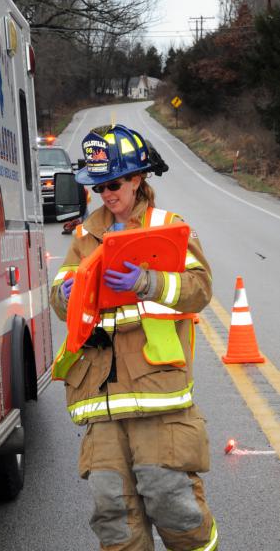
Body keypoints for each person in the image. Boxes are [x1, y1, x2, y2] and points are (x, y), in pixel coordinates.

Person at [50, 124, 217, 551]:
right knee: (113, 517)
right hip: (101, 399)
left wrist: (148, 282)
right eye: (99, 185)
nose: (107, 193)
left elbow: (199, 290)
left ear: (138, 178)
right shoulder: (86, 237)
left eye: (115, 183)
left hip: (157, 393)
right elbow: (58, 294)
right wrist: (64, 294)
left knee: (174, 505)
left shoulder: (168, 226)